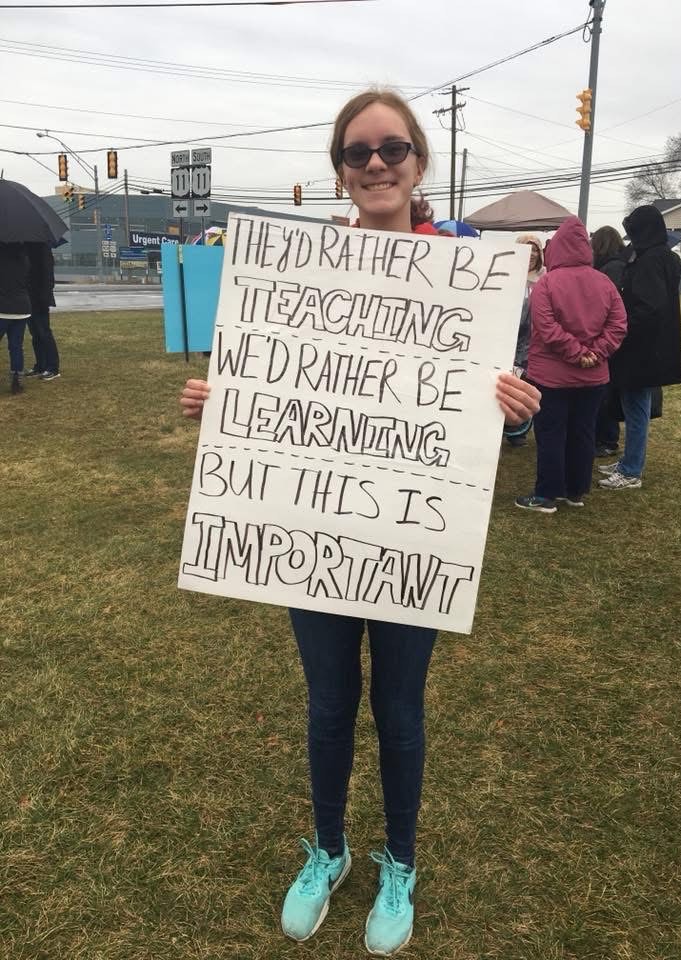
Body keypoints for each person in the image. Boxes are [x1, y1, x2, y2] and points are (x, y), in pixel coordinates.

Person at [180, 88, 541, 956]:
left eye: (391, 149)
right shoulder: (299, 266)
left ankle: (401, 862)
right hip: (316, 532)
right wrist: (226, 406)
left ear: (420, 161)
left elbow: (500, 408)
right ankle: (330, 851)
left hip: (415, 534)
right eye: (356, 152)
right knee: (329, 702)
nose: (375, 165)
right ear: (338, 170)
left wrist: (519, 410)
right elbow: (282, 386)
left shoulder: (471, 270)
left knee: (401, 708)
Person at [515, 215, 627, 514]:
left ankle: (547, 494)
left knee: (551, 434)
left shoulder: (547, 283)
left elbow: (546, 327)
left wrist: (577, 353)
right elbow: (618, 324)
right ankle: (576, 490)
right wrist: (594, 353)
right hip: (593, 378)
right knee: (583, 432)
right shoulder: (604, 281)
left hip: (552, 377)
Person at [599, 204, 681, 490]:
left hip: (641, 347)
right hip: (653, 346)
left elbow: (649, 307)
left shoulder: (649, 260)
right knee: (636, 405)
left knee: (636, 407)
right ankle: (629, 460)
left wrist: (621, 326)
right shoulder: (666, 257)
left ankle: (631, 469)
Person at [503, 234, 545, 447]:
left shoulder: (545, 278)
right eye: (528, 249)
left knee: (525, 384)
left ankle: (518, 430)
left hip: (534, 342)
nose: (532, 254)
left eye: (536, 250)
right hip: (508, 338)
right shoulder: (507, 275)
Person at [590, 226, 628, 457]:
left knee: (605, 393)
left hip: (606, 340)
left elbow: (608, 308)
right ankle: (605, 437)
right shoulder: (617, 265)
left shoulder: (610, 269)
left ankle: (607, 439)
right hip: (611, 340)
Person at [25, 242, 61, 381]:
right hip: (29, 296)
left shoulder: (43, 248)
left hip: (40, 298)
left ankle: (53, 367)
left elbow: (48, 275)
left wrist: (44, 296)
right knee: (35, 333)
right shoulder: (27, 247)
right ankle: (40, 365)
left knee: (44, 332)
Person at [0, 242, 31, 394]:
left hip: (3, 308)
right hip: (21, 308)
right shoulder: (24, 259)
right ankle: (16, 381)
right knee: (16, 346)